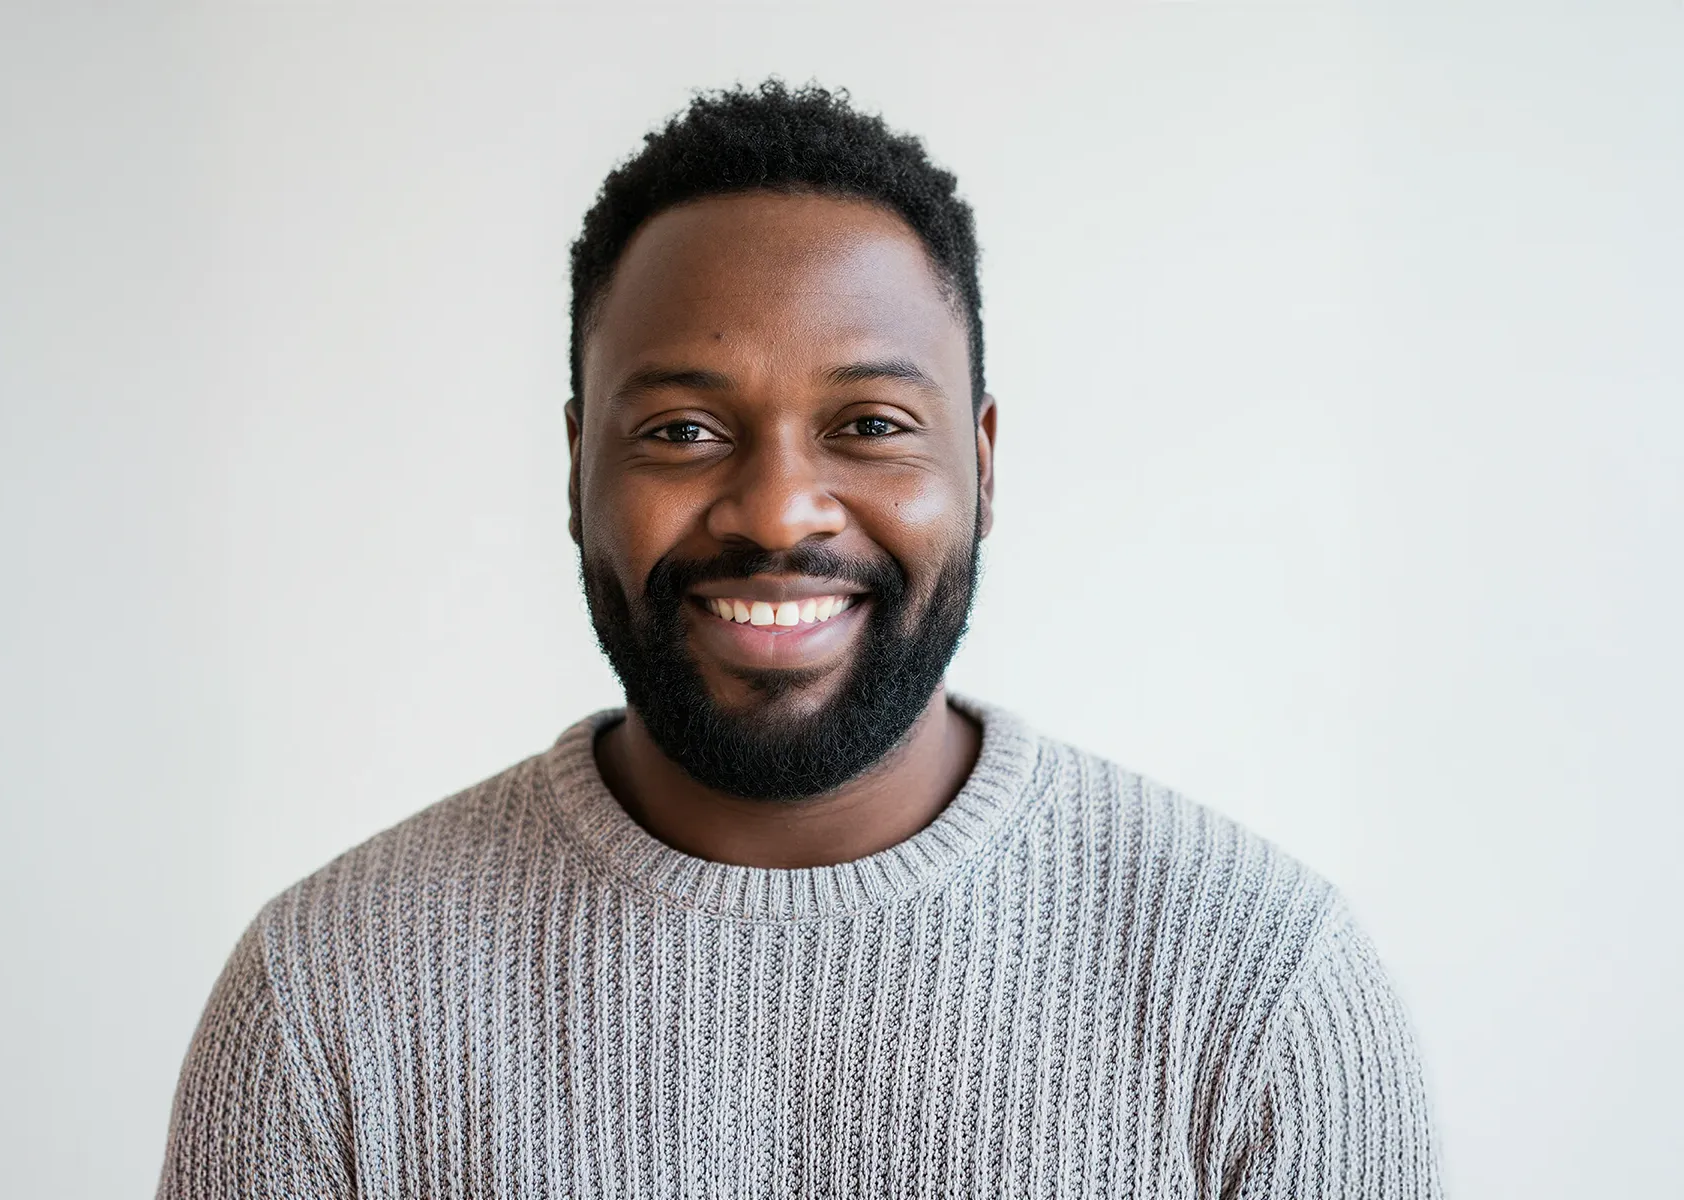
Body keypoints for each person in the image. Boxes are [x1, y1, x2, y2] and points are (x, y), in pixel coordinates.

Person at [158, 81, 1442, 1198]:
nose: (778, 508)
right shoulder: (328, 1003)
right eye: (682, 431)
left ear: (982, 466)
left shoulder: (1260, 989)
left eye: (871, 423)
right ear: (574, 467)